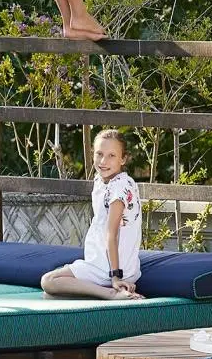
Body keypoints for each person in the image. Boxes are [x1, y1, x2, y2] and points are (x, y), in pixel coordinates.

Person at [42, 129, 143, 301]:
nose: (103, 161)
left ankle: (110, 293)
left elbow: (112, 234)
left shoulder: (119, 187)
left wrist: (116, 276)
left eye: (111, 155)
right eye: (99, 154)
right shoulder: (101, 180)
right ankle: (104, 288)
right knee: (51, 295)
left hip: (108, 268)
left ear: (123, 159)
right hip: (107, 265)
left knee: (48, 281)